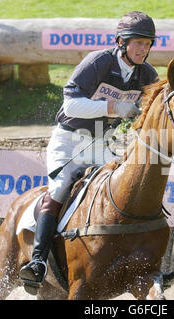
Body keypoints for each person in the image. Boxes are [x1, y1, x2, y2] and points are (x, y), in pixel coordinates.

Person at [19, 11, 159, 291]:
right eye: (138, 43)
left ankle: (136, 267)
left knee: (125, 189)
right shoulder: (99, 61)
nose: (144, 49)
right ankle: (38, 262)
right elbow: (70, 106)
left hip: (103, 144)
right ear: (121, 41)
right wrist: (114, 107)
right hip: (70, 141)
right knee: (60, 188)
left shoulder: (148, 74)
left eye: (148, 44)